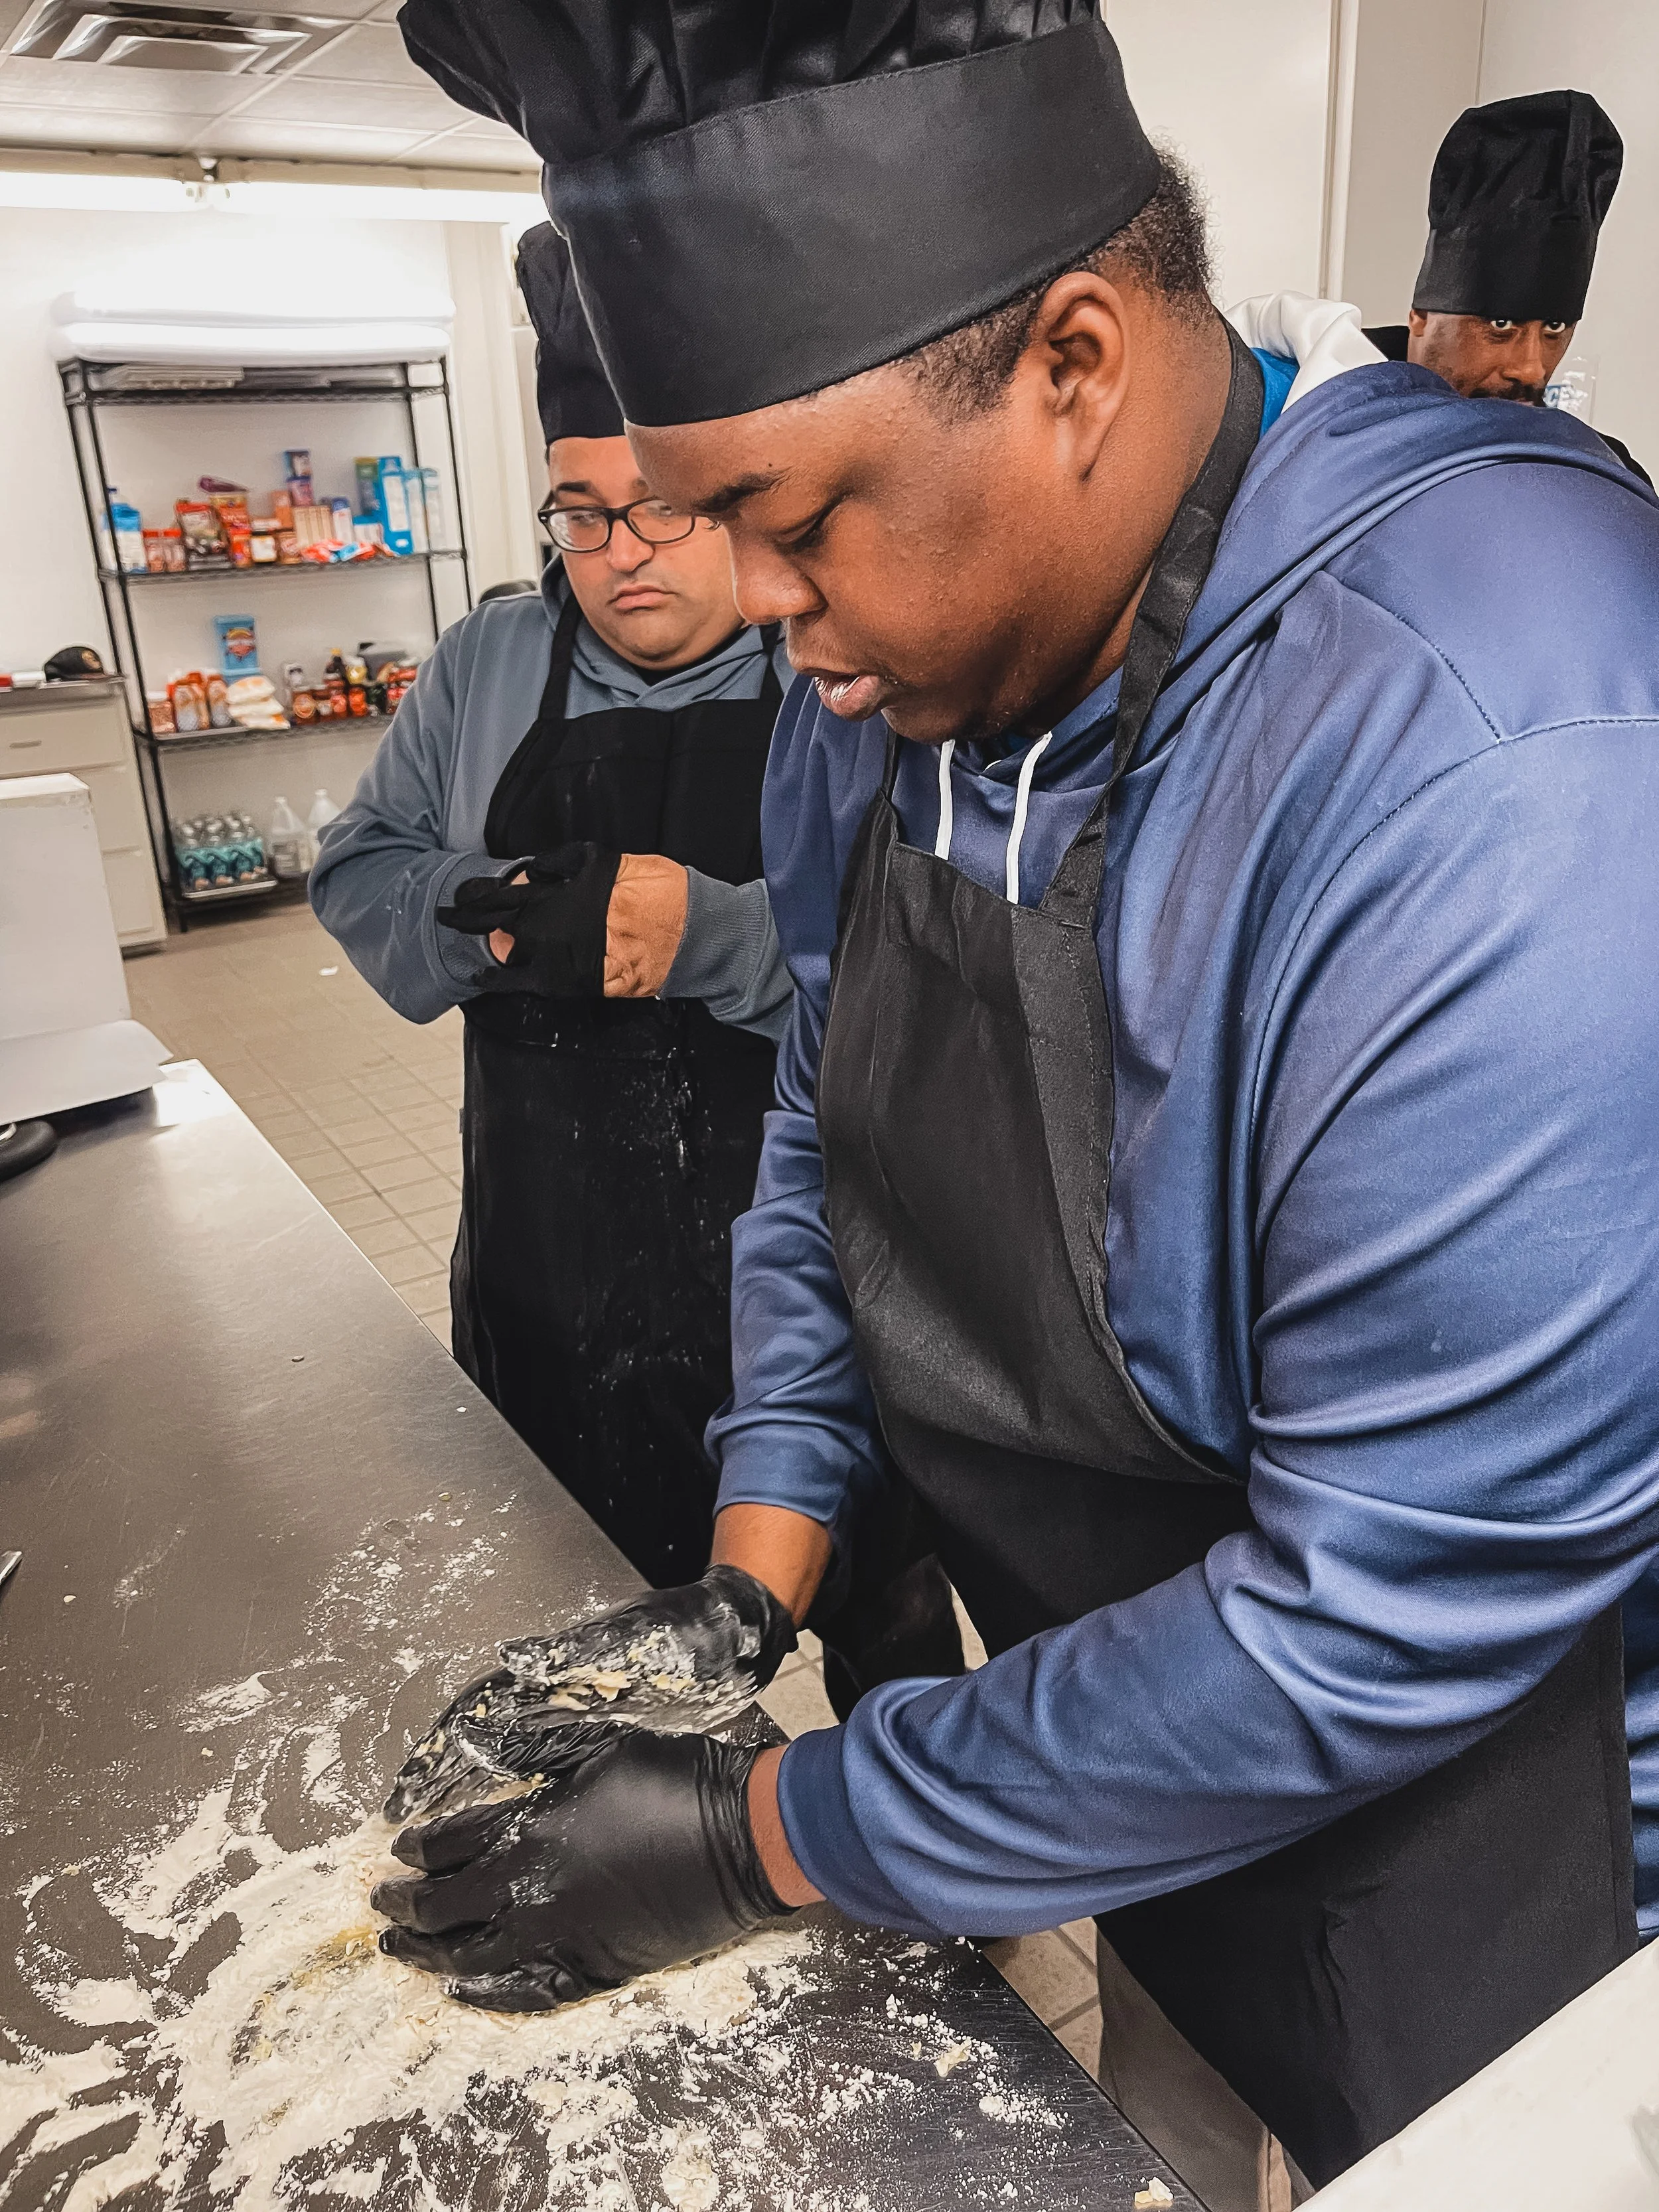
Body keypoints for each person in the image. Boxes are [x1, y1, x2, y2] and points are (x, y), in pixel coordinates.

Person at [373, 5, 1659, 2205]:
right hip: (1117, 1756)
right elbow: (826, 1146)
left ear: (1071, 364)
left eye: (783, 520)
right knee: (1148, 2135)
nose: (762, 615)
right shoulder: (884, 680)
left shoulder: (1498, 745)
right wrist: (755, 1574)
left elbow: (1362, 1621)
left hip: (1487, 1863)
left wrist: (757, 1832)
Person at [313, 226, 962, 1710]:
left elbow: (931, 1007)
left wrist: (716, 938)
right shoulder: (483, 666)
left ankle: (944, 1900)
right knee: (588, 1627)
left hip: (812, 1275)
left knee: (881, 1611)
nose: (620, 560)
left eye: (660, 512)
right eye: (580, 517)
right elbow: (354, 872)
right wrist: (483, 909)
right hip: (553, 1268)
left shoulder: (840, 673)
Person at [1364, 90, 1649, 482]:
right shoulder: (1323, 402)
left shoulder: (1597, 473)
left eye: (1554, 328)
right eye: (1500, 325)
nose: (1531, 369)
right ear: (1421, 317)